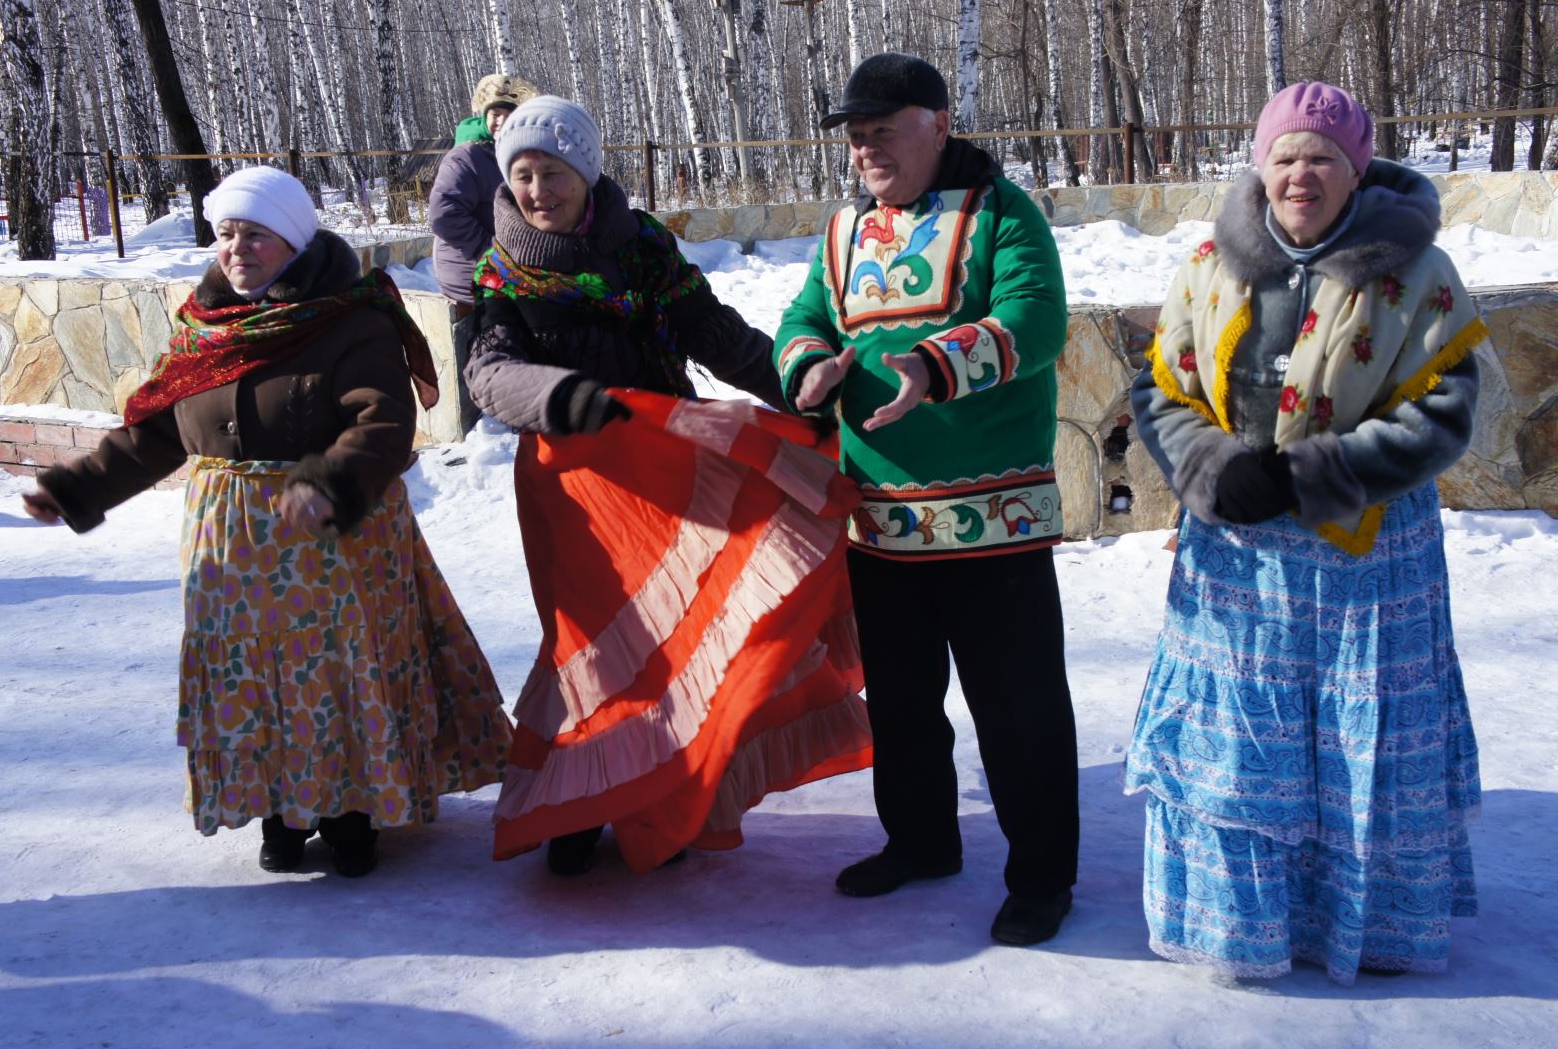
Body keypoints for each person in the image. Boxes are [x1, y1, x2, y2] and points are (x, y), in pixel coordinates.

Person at [23, 166, 514, 878]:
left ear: (292, 239)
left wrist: (326, 484)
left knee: (336, 676)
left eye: (256, 234)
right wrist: (73, 490)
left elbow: (383, 419)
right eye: (226, 233)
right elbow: (156, 432)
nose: (237, 248)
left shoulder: (349, 316)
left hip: (334, 533)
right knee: (249, 678)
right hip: (232, 542)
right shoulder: (207, 326)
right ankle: (281, 810)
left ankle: (352, 809)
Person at [1125, 81, 1485, 983]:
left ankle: (1370, 929)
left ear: (1357, 168)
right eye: (1284, 155)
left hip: (1367, 554)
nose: (1300, 173)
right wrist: (1212, 468)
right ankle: (1245, 925)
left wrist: (1320, 473)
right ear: (1260, 163)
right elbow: (1161, 390)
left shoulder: (1417, 273)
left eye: (1322, 156)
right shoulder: (1211, 260)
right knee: (1245, 742)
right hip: (1239, 550)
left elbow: (1446, 410)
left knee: (1358, 741)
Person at [464, 96, 874, 876]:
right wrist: (558, 396)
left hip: (665, 472)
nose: (537, 188)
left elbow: (713, 336)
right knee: (590, 647)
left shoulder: (643, 247)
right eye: (522, 174)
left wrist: (797, 393)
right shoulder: (501, 271)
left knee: (671, 641)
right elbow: (486, 372)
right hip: (576, 486)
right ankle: (582, 799)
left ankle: (662, 797)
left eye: (552, 170)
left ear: (586, 171)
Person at [773, 53, 1079, 946]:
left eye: (882, 127)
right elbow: (803, 320)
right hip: (880, 523)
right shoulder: (843, 232)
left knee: (1017, 706)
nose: (865, 147)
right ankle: (920, 841)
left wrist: (935, 365)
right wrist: (808, 368)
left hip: (997, 520)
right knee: (902, 703)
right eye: (856, 133)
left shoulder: (1002, 214)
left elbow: (1037, 319)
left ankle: (1042, 876)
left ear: (937, 123)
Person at [429, 72, 540, 429]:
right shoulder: (468, 157)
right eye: (493, 111)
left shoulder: (507, 155)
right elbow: (444, 214)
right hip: (470, 268)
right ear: (483, 114)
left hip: (499, 265)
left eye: (508, 110)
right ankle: (498, 405)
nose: (499, 118)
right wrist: (489, 252)